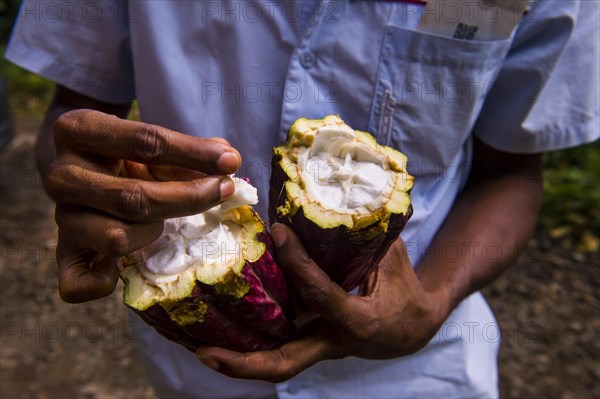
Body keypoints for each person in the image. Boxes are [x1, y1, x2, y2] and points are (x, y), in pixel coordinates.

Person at [5, 1, 598, 398]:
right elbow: (74, 112)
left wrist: (434, 297)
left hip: (413, 372)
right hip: (199, 353)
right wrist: (86, 179)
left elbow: (512, 172)